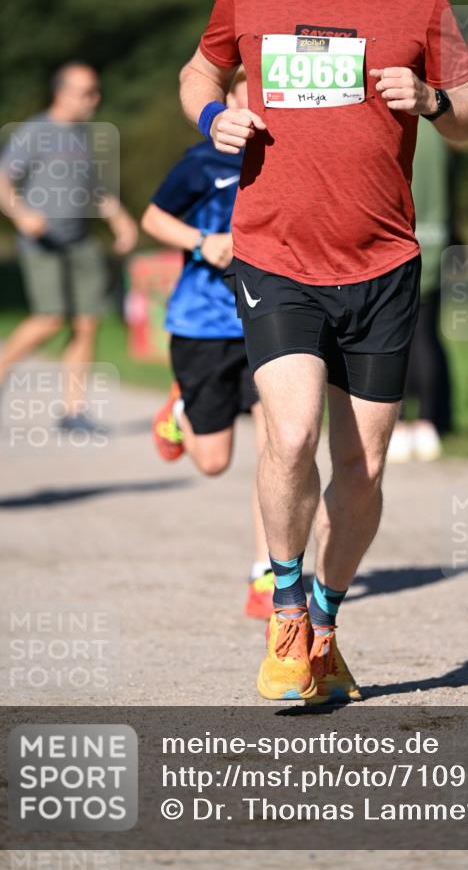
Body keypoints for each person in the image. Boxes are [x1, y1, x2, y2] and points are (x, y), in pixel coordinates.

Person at [178, 0, 468, 704]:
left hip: (383, 264)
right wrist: (216, 120)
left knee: (363, 469)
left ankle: (324, 615)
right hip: (276, 256)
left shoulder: (418, 1)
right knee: (288, 435)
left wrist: (431, 99)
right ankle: (284, 610)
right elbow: (197, 75)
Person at [141, 68, 273, 620]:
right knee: (214, 463)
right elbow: (152, 218)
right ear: (228, 100)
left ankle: (267, 574)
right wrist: (203, 240)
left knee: (282, 449)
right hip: (202, 326)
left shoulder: (290, 157)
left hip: (270, 326)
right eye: (250, 90)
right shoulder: (201, 162)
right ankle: (179, 408)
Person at [0, 62, 138, 430]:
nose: (94, 99)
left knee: (87, 323)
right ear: (61, 93)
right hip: (41, 241)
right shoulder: (35, 132)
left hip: (78, 240)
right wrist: (20, 214)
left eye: (96, 91)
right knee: (50, 319)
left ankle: (73, 411)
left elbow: (93, 188)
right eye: (86, 92)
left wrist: (119, 218)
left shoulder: (82, 135)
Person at [387, 121, 466, 463]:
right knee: (427, 336)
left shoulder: (397, 126)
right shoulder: (441, 133)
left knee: (397, 338)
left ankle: (402, 421)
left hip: (400, 240)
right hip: (437, 241)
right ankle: (431, 421)